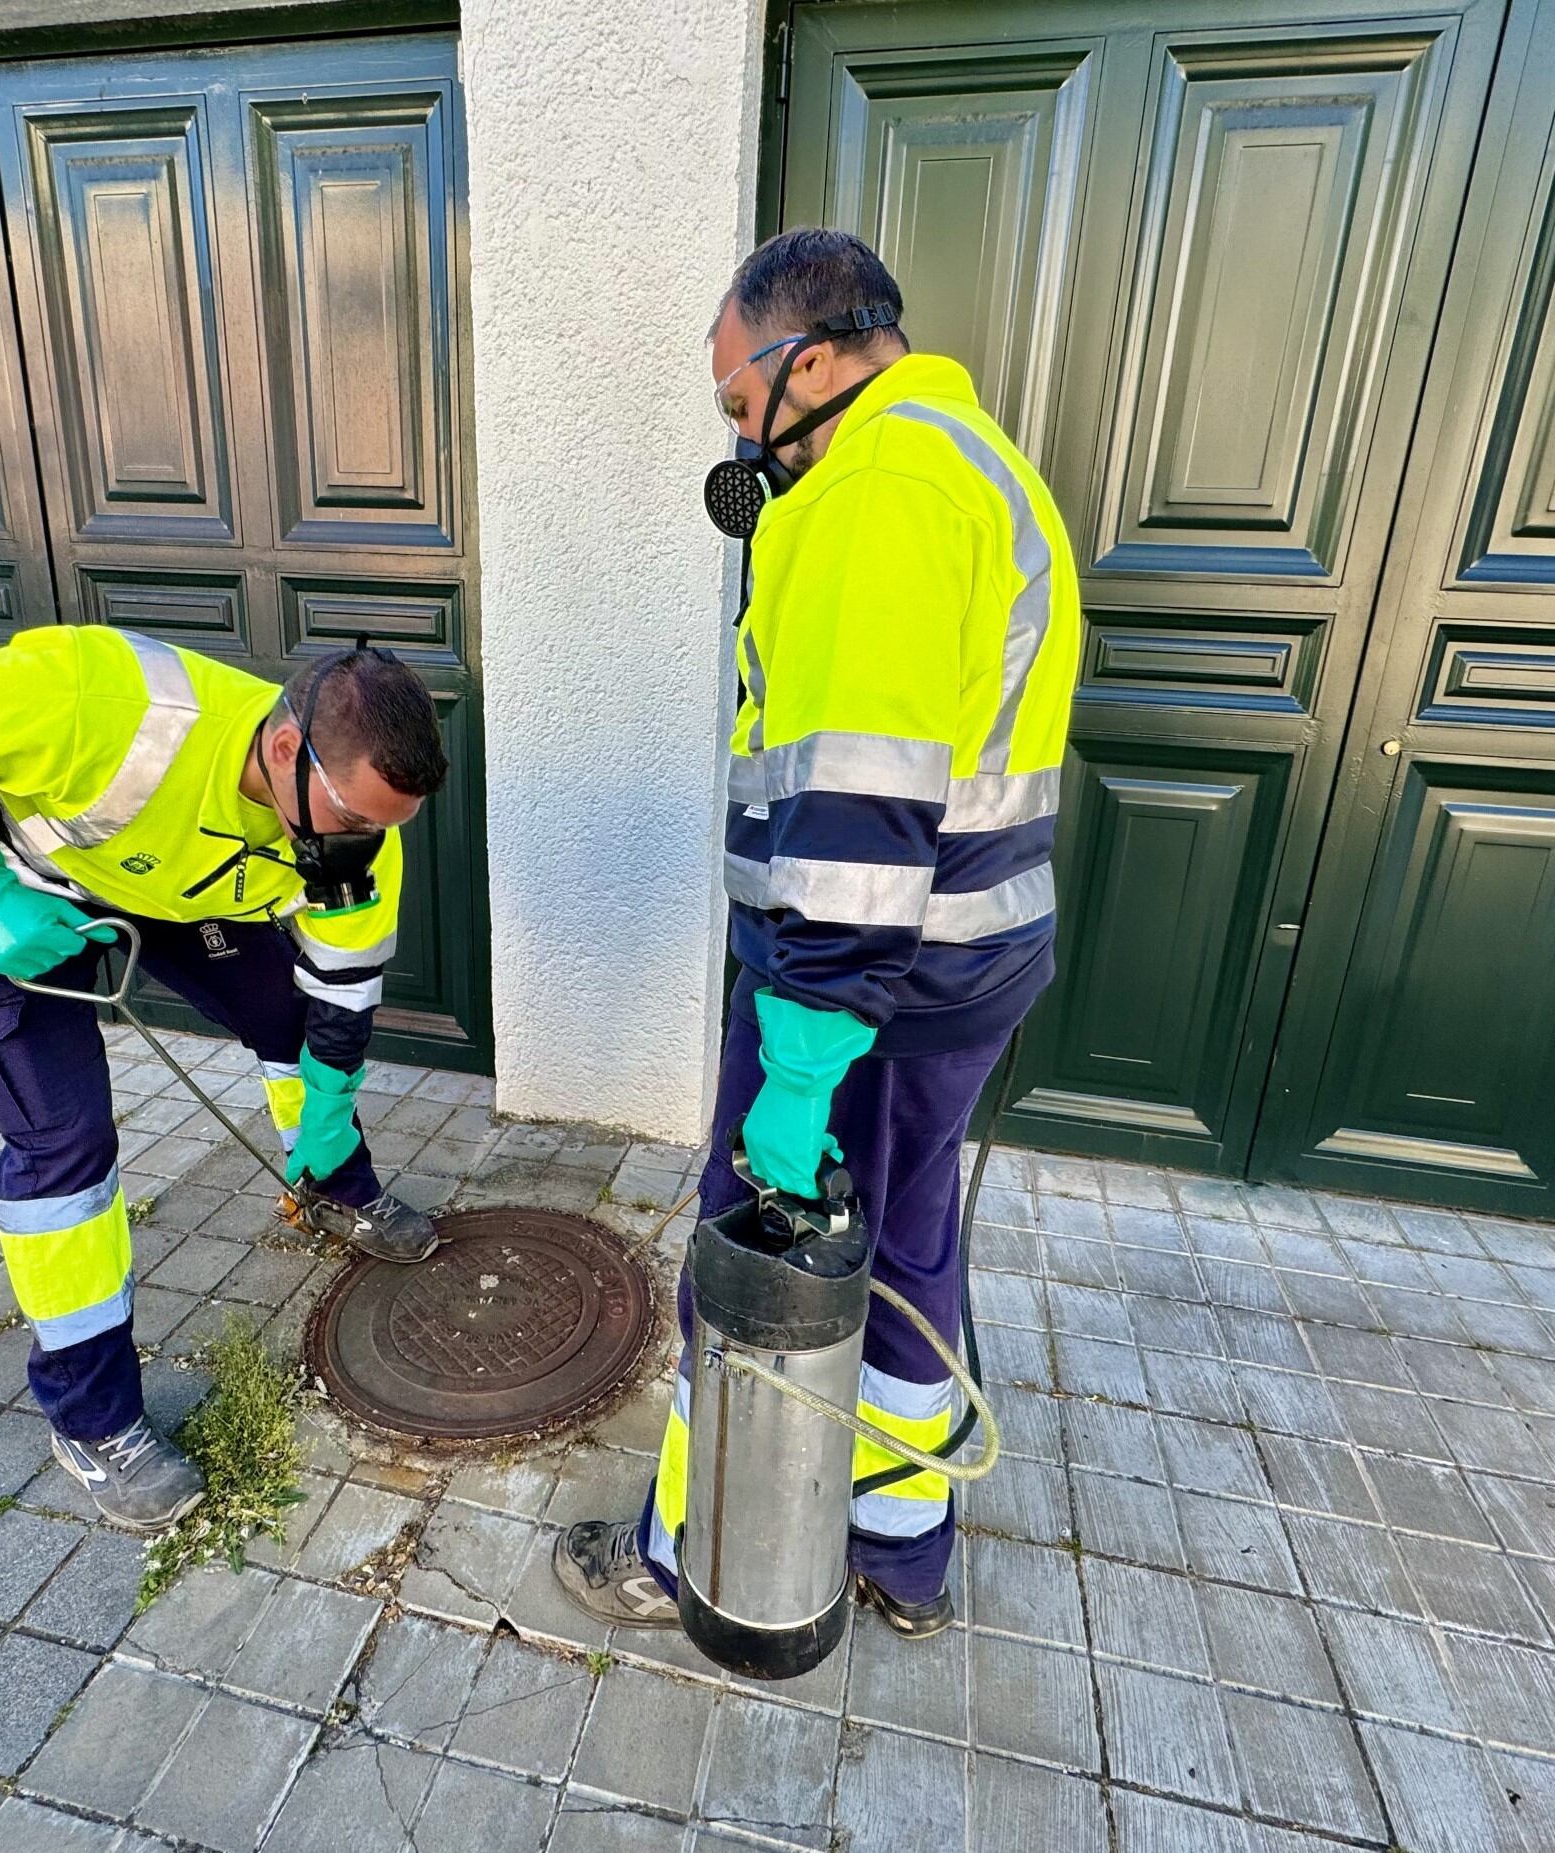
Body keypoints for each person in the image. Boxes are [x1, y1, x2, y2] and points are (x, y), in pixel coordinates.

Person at [554, 227, 1080, 1638]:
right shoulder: (982, 467)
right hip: (958, 974)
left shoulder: (879, 493)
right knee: (905, 1251)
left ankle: (691, 1554)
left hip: (853, 999)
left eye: (743, 402)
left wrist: (797, 1067)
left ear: (821, 353)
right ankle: (902, 1548)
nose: (744, 436)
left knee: (753, 1251)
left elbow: (856, 804)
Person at [0, 627, 448, 1532]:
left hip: (173, 890)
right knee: (64, 1142)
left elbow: (341, 998)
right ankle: (92, 1421)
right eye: (354, 821)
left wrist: (331, 1113)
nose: (367, 848)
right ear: (285, 749)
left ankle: (333, 1187)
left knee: (288, 1020)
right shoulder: (105, 705)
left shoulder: (356, 836)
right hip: (15, 887)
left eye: (386, 829)